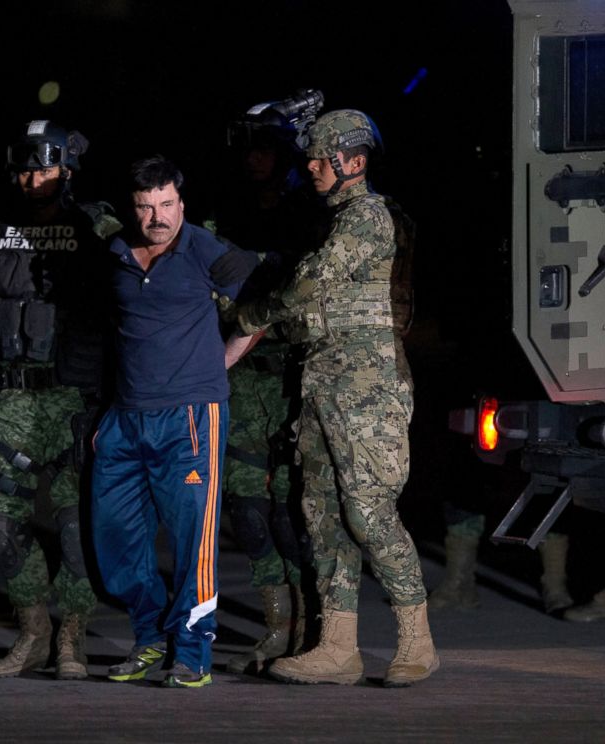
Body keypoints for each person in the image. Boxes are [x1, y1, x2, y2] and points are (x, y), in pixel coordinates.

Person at [228, 109, 437, 687]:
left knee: (369, 514)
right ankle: (338, 647)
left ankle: (418, 640)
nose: (313, 167)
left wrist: (252, 316)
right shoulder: (328, 217)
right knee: (321, 516)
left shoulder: (367, 216)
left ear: (355, 160)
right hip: (322, 381)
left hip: (368, 390)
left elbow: (313, 281)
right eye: (311, 157)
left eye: (323, 157)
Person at [0, 120, 120, 679]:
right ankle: (34, 630)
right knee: (0, 522)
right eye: (25, 169)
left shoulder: (96, 225)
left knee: (77, 527)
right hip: (14, 400)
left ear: (67, 169)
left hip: (77, 400)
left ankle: (71, 637)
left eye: (44, 168)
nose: (32, 179)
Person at [90, 155, 255, 688]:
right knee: (114, 536)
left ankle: (191, 654)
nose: (157, 216)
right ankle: (148, 638)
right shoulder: (114, 252)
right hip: (124, 418)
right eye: (146, 207)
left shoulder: (205, 250)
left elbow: (262, 307)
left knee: (192, 541)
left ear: (181, 203)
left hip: (189, 416)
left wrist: (223, 359)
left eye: (166, 204)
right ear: (132, 208)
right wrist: (104, 410)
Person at [208, 96, 328, 675]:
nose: (252, 158)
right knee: (248, 512)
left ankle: (310, 629)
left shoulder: (314, 208)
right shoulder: (227, 207)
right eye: (247, 147)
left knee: (290, 513)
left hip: (289, 377)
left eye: (265, 147)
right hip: (239, 378)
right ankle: (275, 624)